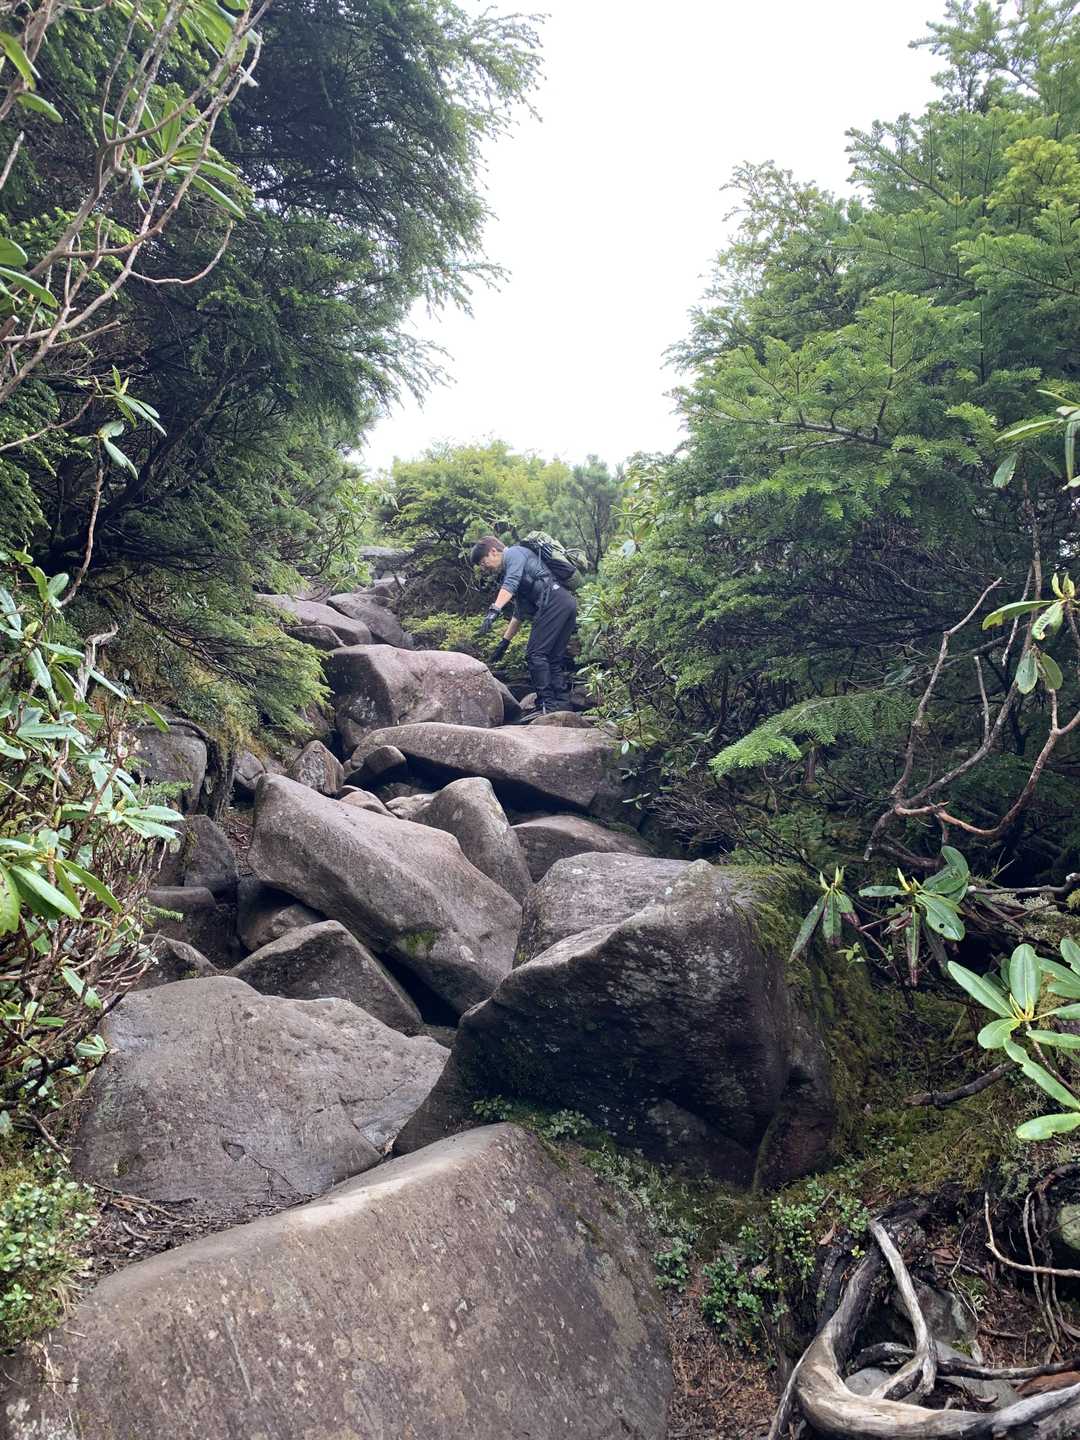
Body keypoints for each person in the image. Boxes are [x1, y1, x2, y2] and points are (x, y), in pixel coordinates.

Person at [470, 534, 578, 713]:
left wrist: (494, 610)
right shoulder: (519, 569)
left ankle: (547, 705)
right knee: (552, 657)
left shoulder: (513, 554)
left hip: (554, 601)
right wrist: (504, 643)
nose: (484, 568)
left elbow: (510, 583)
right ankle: (562, 704)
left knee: (535, 654)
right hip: (565, 602)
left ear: (493, 551)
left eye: (483, 562)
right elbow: (520, 613)